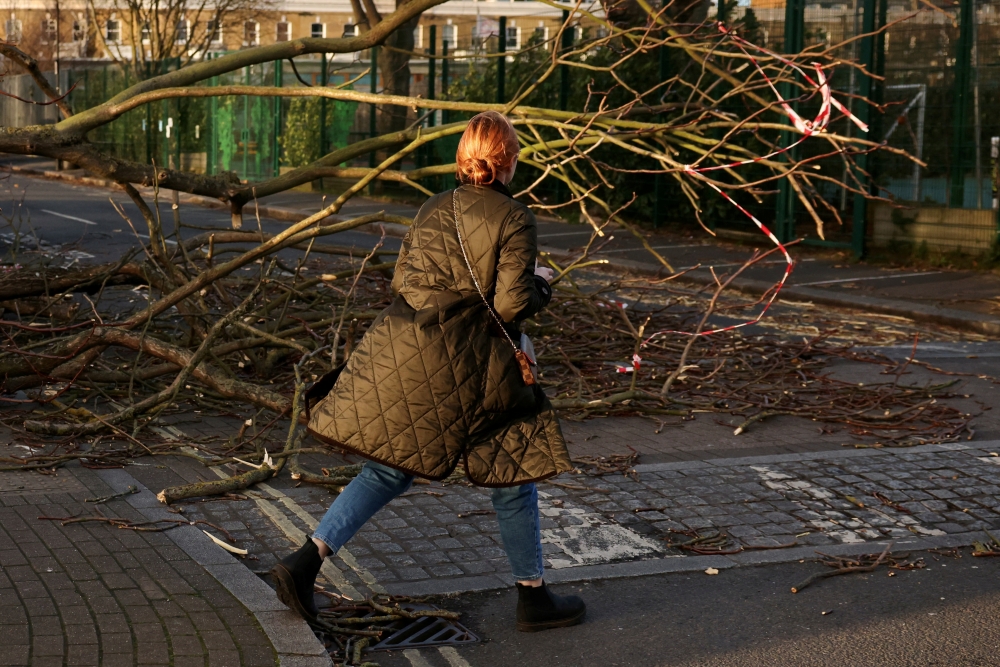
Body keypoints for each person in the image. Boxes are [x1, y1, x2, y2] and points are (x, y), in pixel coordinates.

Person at [270, 111, 586, 633]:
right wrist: (542, 283)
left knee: (389, 470)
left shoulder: (431, 207)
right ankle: (533, 598)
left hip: (414, 356)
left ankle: (304, 562)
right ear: (509, 162)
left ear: (463, 158)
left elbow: (405, 280)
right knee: (512, 472)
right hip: (478, 368)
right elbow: (510, 306)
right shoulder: (514, 218)